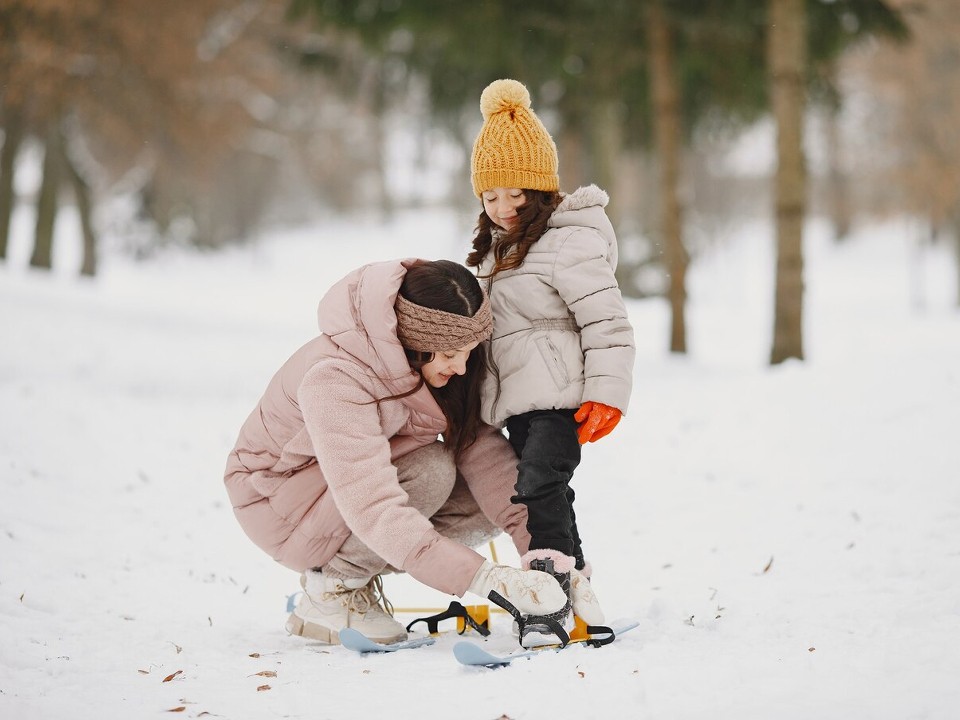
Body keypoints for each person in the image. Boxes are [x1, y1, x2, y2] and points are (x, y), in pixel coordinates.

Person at [223, 258, 603, 645]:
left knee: (488, 497)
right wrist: (486, 579)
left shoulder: (442, 368)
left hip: (351, 493)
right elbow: (372, 502)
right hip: (278, 501)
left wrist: (550, 560)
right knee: (432, 470)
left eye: (469, 351)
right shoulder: (334, 377)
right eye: (450, 353)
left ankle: (351, 578)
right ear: (414, 341)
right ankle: (332, 592)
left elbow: (487, 458)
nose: (461, 366)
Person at [466, 79, 636, 646]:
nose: (504, 206)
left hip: (563, 398)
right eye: (491, 196)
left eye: (515, 193)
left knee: (537, 485)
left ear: (540, 187)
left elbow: (606, 322)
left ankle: (546, 600)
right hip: (518, 401)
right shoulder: (496, 251)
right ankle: (578, 590)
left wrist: (607, 393)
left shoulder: (570, 241)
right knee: (548, 493)